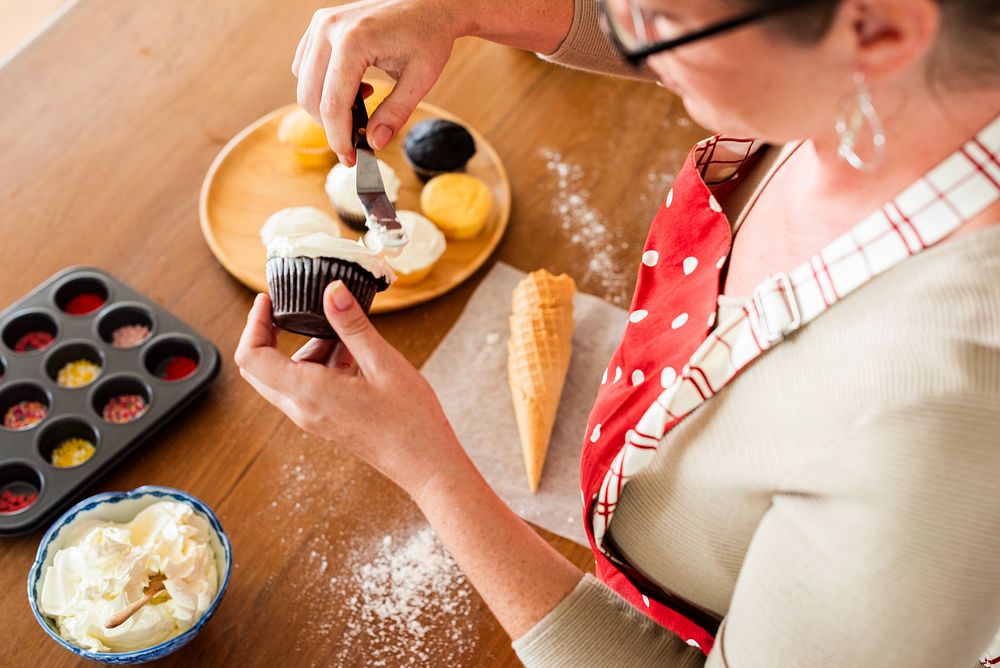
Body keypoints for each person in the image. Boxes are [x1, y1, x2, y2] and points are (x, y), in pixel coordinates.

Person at [235, 0, 1000, 665]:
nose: (623, 27)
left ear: (879, 31)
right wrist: (462, 8)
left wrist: (429, 468)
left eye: (655, 17)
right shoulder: (913, 85)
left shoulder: (943, 415)